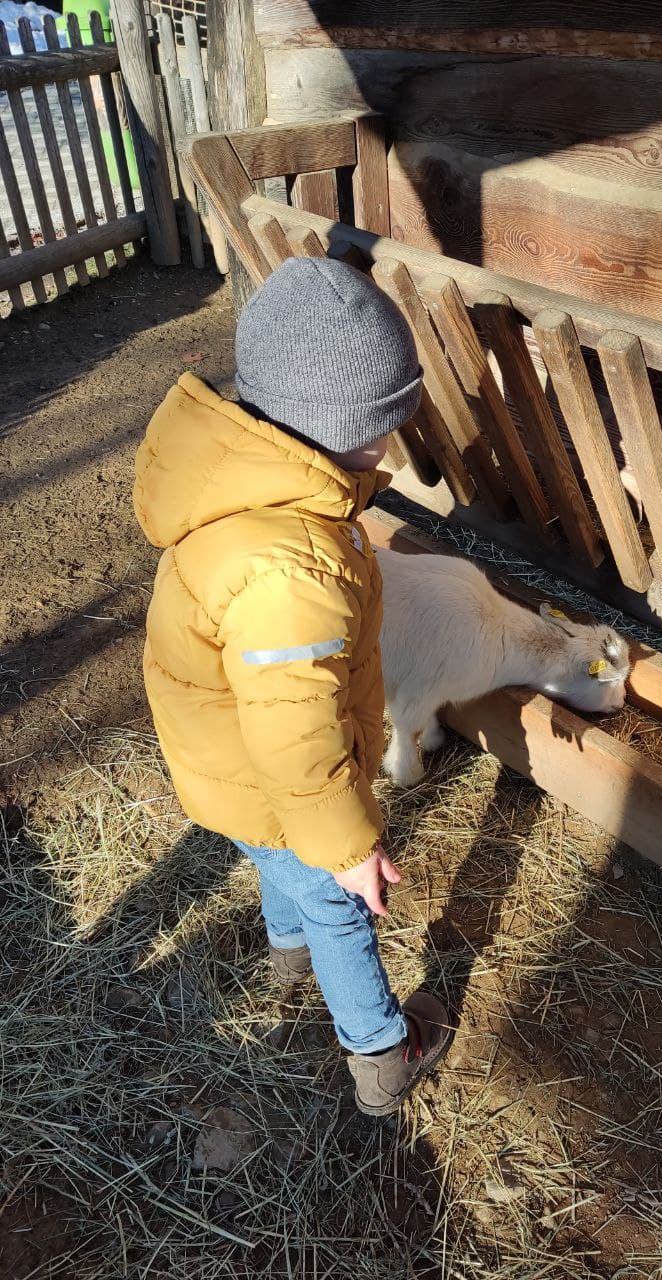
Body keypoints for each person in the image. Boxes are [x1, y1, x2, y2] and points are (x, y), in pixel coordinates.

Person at [133, 257, 452, 1115]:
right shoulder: (289, 569)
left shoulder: (249, 488)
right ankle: (381, 1054)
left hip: (233, 770)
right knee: (336, 898)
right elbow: (297, 746)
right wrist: (348, 849)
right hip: (273, 773)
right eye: (385, 426)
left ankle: (288, 955)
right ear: (346, 426)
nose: (392, 442)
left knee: (277, 853)